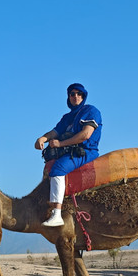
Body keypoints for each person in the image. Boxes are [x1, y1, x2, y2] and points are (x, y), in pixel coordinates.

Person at [34, 83, 101, 227]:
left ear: (83, 96)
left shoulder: (90, 111)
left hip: (86, 151)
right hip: (70, 151)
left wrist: (60, 144)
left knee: (58, 168)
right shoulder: (68, 117)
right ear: (68, 97)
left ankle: (57, 214)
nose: (75, 96)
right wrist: (42, 139)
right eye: (72, 94)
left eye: (79, 94)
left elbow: (85, 135)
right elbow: (55, 132)